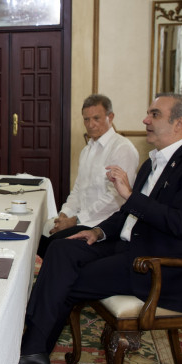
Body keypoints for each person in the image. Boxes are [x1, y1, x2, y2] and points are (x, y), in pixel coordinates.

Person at [11, 93, 182, 364]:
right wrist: (97, 232)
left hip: (161, 266)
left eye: (154, 114)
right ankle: (33, 357)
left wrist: (131, 196)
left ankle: (30, 361)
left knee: (66, 280)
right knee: (62, 249)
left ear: (180, 123)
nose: (145, 120)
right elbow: (126, 215)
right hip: (131, 248)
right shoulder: (152, 163)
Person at [37, 94, 138, 258]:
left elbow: (116, 198)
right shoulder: (87, 150)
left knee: (53, 244)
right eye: (86, 119)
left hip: (103, 226)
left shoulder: (122, 148)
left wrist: (75, 220)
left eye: (96, 118)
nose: (90, 125)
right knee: (39, 235)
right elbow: (78, 189)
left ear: (110, 117)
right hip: (81, 219)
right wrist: (64, 215)